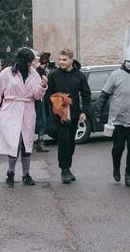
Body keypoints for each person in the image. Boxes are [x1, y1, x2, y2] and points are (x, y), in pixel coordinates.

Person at [95, 27, 130, 188]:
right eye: (128, 61)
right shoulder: (115, 75)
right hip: (117, 119)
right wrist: (98, 112)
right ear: (124, 61)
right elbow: (105, 94)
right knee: (118, 147)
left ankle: (129, 175)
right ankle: (116, 166)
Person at [0, 48, 48, 188]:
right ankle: (10, 173)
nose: (31, 65)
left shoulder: (34, 74)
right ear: (22, 61)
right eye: (29, 62)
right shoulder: (7, 73)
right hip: (11, 110)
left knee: (27, 143)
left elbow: (37, 95)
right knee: (14, 143)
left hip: (27, 109)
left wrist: (42, 86)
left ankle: (26, 174)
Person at [47, 48, 91, 184]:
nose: (61, 62)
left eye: (64, 60)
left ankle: (68, 167)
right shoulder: (53, 75)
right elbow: (47, 94)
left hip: (74, 114)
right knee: (64, 139)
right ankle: (64, 170)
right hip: (59, 115)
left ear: (71, 60)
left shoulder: (79, 76)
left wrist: (84, 111)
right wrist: (56, 101)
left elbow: (86, 94)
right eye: (60, 59)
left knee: (71, 141)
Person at [33, 50, 50, 153]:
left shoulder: (42, 70)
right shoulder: (35, 71)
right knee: (39, 121)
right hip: (36, 99)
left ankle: (40, 141)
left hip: (41, 99)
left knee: (42, 121)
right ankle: (37, 142)